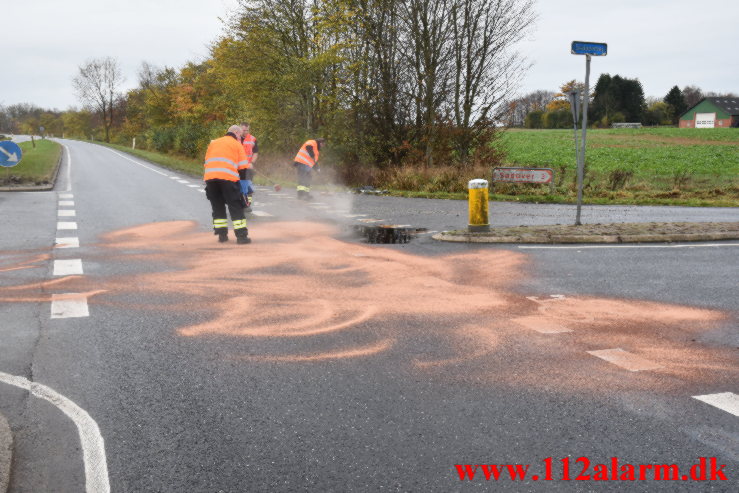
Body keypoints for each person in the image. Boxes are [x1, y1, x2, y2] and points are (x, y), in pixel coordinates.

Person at [203, 125, 251, 244]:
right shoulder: (236, 144)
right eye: (240, 135)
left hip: (210, 179)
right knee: (235, 206)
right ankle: (241, 237)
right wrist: (244, 188)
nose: (240, 138)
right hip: (228, 179)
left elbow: (206, 161)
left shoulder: (213, 143)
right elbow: (243, 168)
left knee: (217, 206)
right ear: (235, 132)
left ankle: (222, 235)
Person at [239, 123, 259, 212]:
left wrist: (252, 163)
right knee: (239, 186)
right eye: (244, 130)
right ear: (240, 129)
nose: (246, 132)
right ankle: (241, 203)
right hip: (238, 167)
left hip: (248, 167)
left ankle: (247, 204)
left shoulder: (253, 139)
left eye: (247, 130)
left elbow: (255, 152)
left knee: (248, 187)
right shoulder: (235, 138)